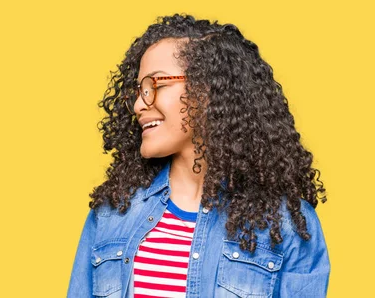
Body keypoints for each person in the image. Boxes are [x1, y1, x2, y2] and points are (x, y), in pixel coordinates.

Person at [67, 13, 330, 298]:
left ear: (208, 91)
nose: (139, 105)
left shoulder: (287, 224)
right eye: (139, 91)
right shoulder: (110, 214)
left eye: (155, 85)